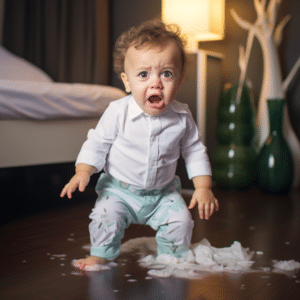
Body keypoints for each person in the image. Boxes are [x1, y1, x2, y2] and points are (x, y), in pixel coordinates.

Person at [60, 19, 219, 270]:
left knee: (181, 221)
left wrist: (203, 187)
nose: (155, 83)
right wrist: (83, 171)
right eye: (143, 74)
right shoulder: (117, 111)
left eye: (166, 74)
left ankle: (172, 256)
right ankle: (102, 254)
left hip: (162, 193)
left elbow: (195, 151)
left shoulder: (182, 116)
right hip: (120, 192)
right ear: (127, 81)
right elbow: (97, 143)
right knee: (104, 217)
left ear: (179, 81)